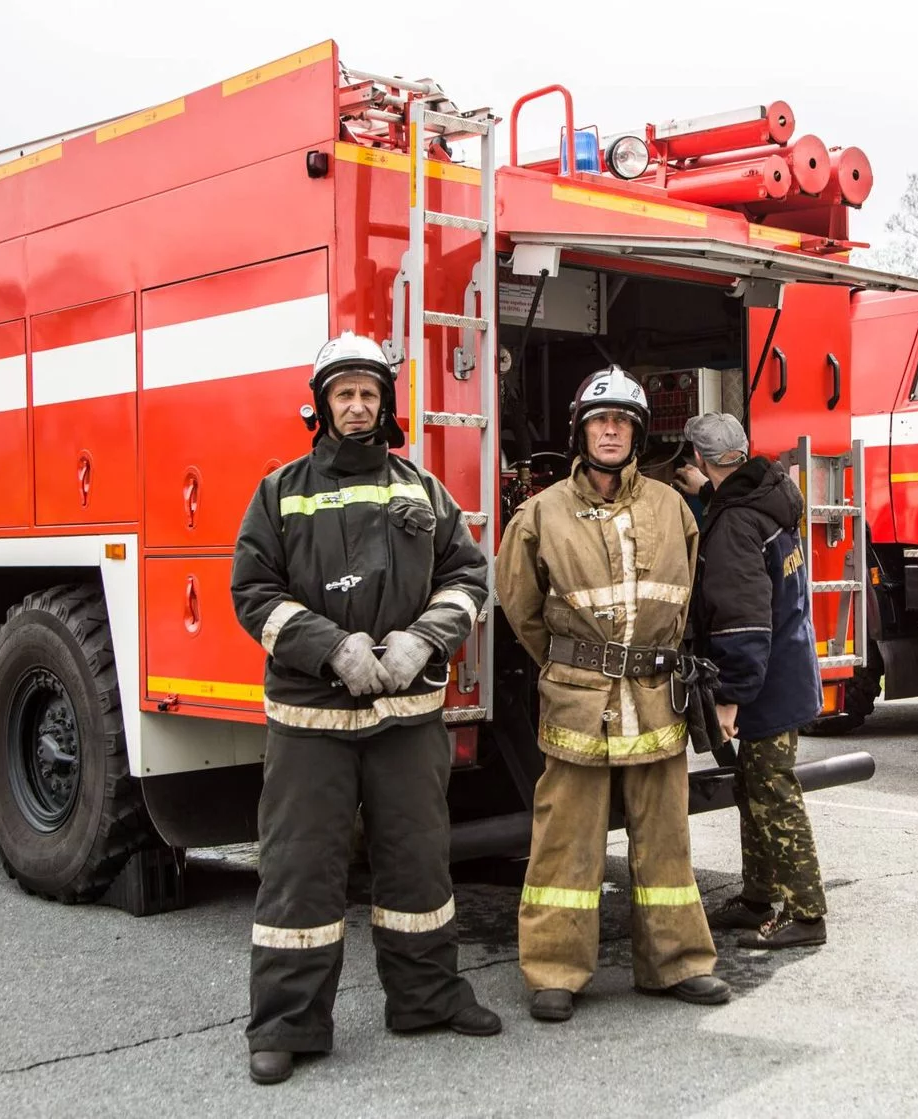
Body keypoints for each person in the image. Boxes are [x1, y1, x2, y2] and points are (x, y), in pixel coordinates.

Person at [231, 331, 500, 1086]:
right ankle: (287, 1024)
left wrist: (424, 640)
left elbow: (467, 575)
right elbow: (253, 593)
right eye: (344, 393)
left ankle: (426, 998)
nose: (357, 405)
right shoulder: (280, 491)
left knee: (417, 861)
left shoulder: (421, 488)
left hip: (406, 717)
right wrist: (330, 648)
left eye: (370, 394)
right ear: (321, 405)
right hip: (312, 720)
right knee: (299, 872)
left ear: (385, 405)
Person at [495, 365, 730, 1023]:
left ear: (637, 432)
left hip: (658, 697)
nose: (611, 429)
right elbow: (520, 607)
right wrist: (577, 665)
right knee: (565, 840)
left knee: (666, 840)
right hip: (578, 701)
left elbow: (690, 602)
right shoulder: (540, 514)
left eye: (623, 420)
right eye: (601, 419)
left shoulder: (670, 507)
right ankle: (554, 972)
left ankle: (678, 962)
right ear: (581, 429)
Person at [675, 413, 827, 950]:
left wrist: (733, 696)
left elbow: (743, 618)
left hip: (762, 681)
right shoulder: (768, 496)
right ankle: (758, 896)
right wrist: (706, 497)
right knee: (751, 787)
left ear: (697, 458)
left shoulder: (736, 523)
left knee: (772, 791)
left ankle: (806, 913)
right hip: (787, 666)